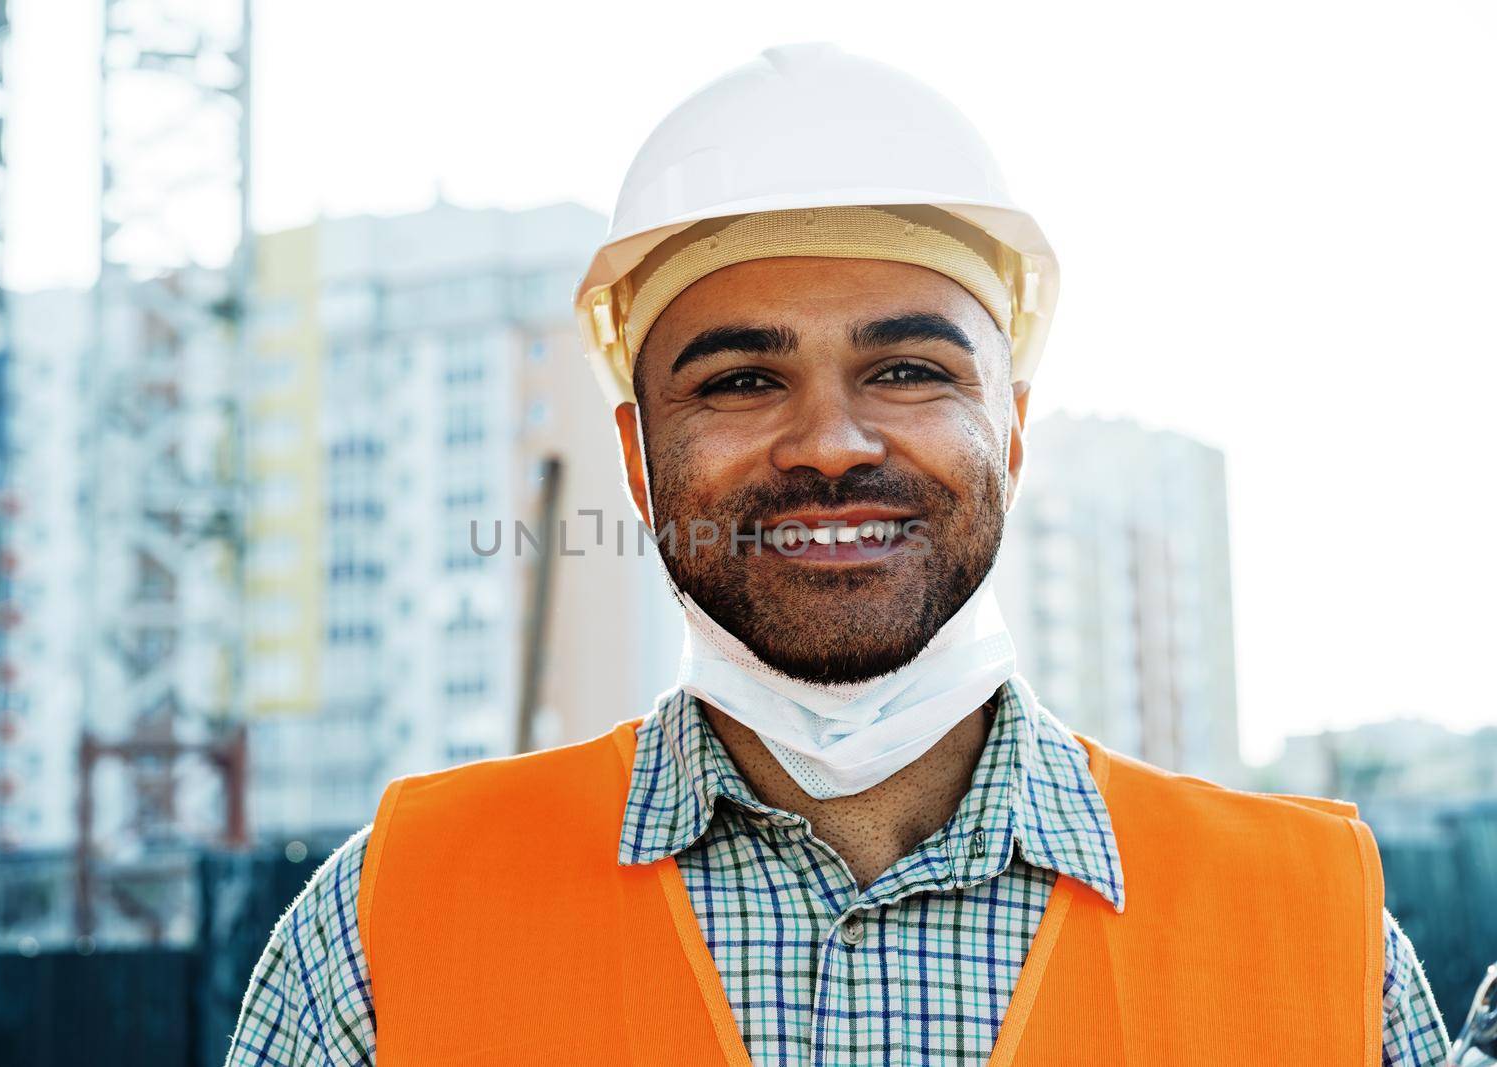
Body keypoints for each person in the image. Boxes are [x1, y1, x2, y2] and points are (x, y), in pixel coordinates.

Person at [226, 43, 1450, 1065]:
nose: (827, 443)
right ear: (637, 456)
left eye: (908, 368)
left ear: (1013, 431)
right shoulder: (389, 925)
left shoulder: (1312, 939)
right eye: (742, 378)